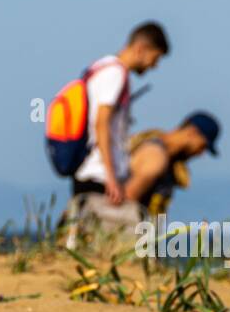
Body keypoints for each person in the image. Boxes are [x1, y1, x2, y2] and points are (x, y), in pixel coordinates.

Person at [65, 22, 169, 238]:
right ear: (141, 48)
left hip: (89, 170)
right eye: (155, 58)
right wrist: (112, 177)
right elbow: (101, 122)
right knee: (114, 240)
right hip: (98, 175)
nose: (154, 66)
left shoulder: (100, 68)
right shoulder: (116, 74)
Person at [126, 111, 220, 215]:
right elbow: (125, 204)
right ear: (192, 132)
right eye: (202, 146)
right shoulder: (156, 157)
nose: (200, 154)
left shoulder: (168, 161)